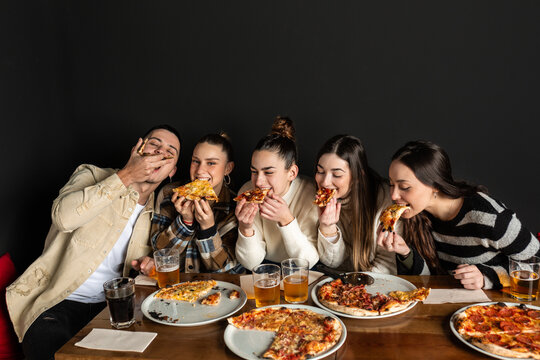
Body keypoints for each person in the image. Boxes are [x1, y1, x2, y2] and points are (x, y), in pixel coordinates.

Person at [6, 125, 181, 360]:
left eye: (170, 152)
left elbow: (167, 261)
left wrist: (151, 265)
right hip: (56, 303)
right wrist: (128, 174)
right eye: (154, 144)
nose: (161, 153)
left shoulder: (158, 212)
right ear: (137, 149)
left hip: (112, 308)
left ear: (172, 171)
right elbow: (63, 218)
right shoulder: (91, 175)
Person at [378, 140, 539, 289]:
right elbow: (430, 279)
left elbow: (536, 264)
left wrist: (486, 277)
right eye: (391, 185)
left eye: (404, 187)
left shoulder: (490, 217)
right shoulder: (417, 217)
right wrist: (406, 253)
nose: (393, 196)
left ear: (435, 185)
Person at [151, 133, 244, 273]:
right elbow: (160, 255)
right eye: (195, 161)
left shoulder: (236, 206)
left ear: (228, 168)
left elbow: (228, 271)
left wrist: (208, 229)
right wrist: (185, 222)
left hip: (217, 290)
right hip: (176, 288)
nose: (200, 170)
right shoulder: (169, 194)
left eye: (211, 163)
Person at [235, 116, 319, 270]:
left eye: (268, 172)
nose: (258, 182)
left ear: (292, 173)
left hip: (303, 272)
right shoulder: (247, 192)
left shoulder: (311, 194)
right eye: (254, 172)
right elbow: (250, 263)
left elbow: (307, 262)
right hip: (263, 271)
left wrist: (286, 220)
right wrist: (245, 228)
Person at [315, 135, 396, 273]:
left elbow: (387, 264)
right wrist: (328, 228)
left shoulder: (386, 201)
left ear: (357, 177)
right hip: (334, 281)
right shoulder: (317, 198)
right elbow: (333, 263)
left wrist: (356, 291)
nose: (324, 182)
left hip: (373, 285)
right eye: (320, 171)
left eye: (337, 175)